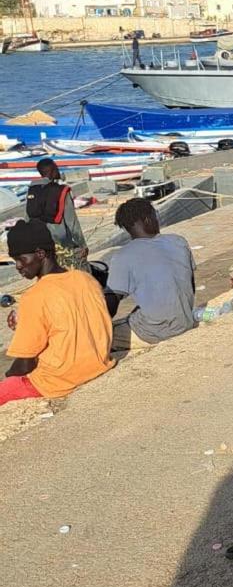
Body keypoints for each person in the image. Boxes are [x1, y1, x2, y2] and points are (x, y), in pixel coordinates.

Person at [1, 219, 112, 404]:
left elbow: (25, 364)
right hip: (96, 364)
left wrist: (9, 377)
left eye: (21, 259)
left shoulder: (34, 297)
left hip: (59, 380)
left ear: (40, 253)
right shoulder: (85, 278)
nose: (18, 266)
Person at [104, 198, 196, 351]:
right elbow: (189, 286)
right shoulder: (178, 241)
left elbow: (111, 305)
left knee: (102, 337)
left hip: (154, 332)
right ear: (148, 219)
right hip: (186, 320)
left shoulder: (122, 256)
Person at [26, 157, 88, 270]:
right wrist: (82, 244)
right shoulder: (62, 191)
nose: (59, 171)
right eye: (57, 168)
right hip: (60, 241)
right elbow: (72, 222)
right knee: (77, 270)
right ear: (52, 171)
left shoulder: (32, 190)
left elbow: (29, 217)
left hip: (40, 242)